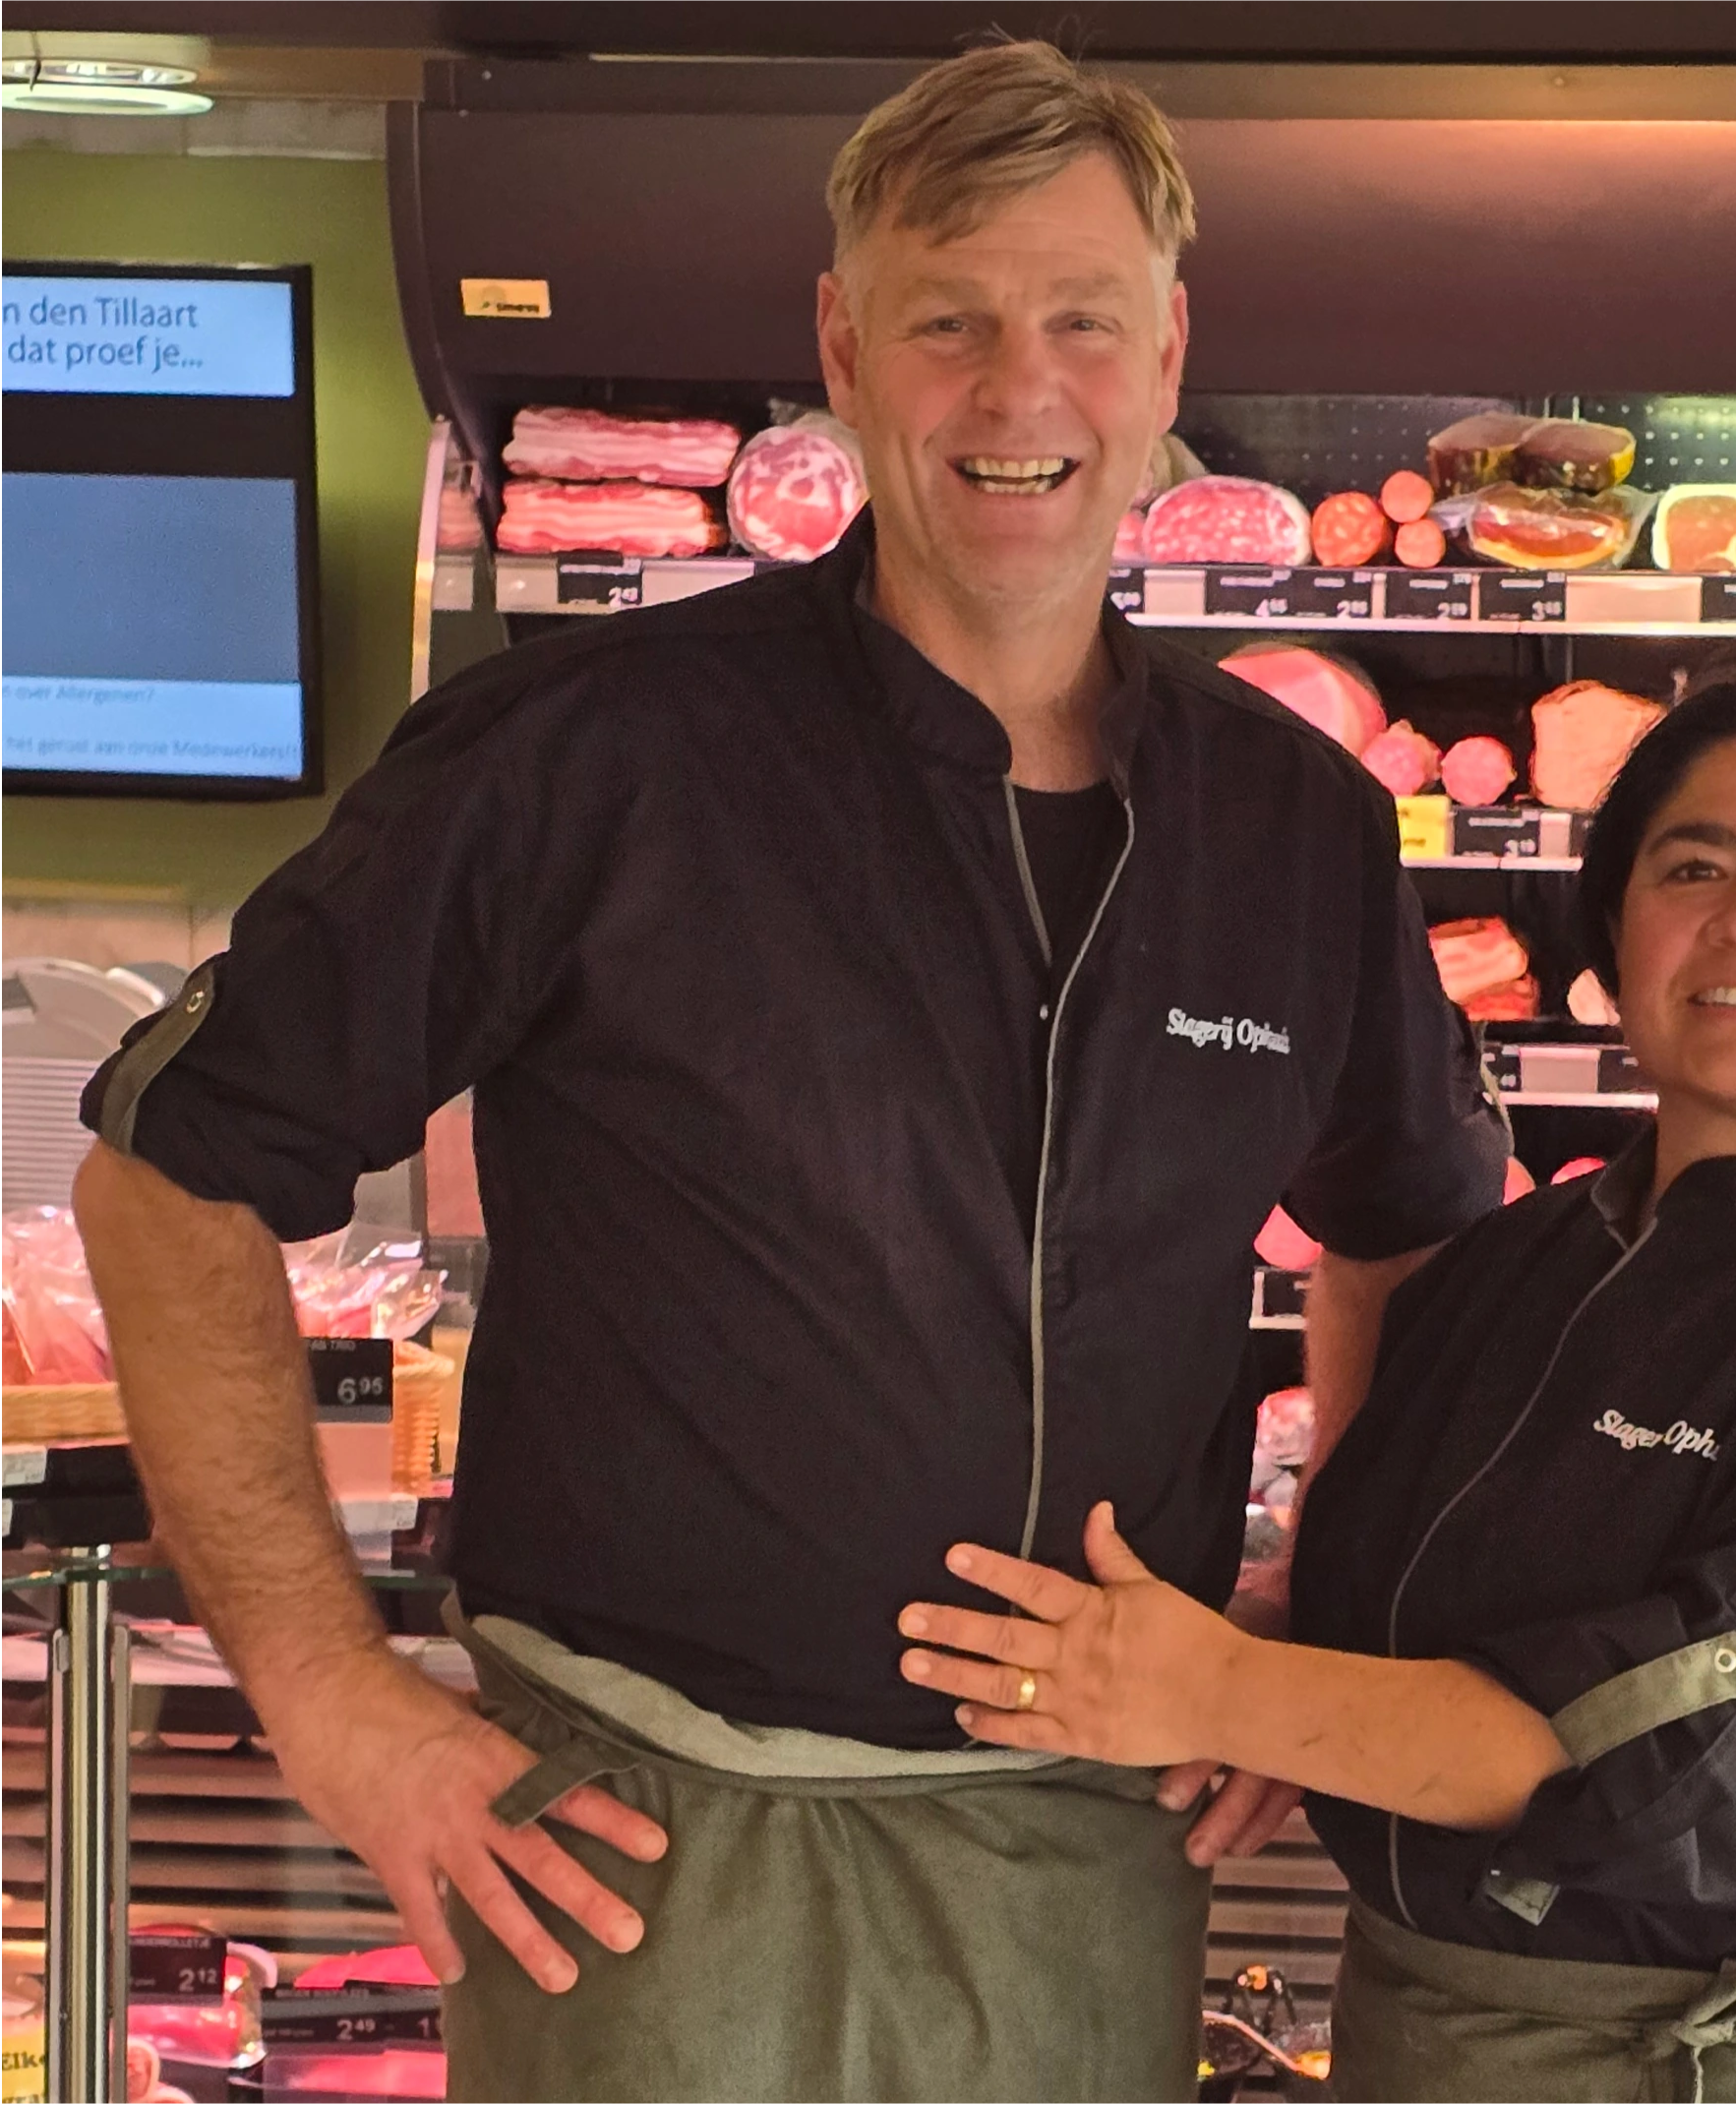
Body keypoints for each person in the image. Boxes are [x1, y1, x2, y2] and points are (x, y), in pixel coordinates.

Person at [70, 40, 1502, 2104]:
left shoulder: (1290, 829)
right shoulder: (592, 756)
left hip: (1084, 1858)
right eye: (948, 321)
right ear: (842, 344)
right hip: (658, 1851)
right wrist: (325, 1687)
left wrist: (1308, 1612)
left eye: (1082, 320)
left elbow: (1413, 1237)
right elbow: (166, 1169)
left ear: (1168, 348)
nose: (1020, 392)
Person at [899, 649, 1736, 2103]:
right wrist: (1294, 1642)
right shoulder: (1520, 1265)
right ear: (1612, 930)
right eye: (1689, 866)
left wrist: (1228, 1691)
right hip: (1437, 2035)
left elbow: (1678, 1755)